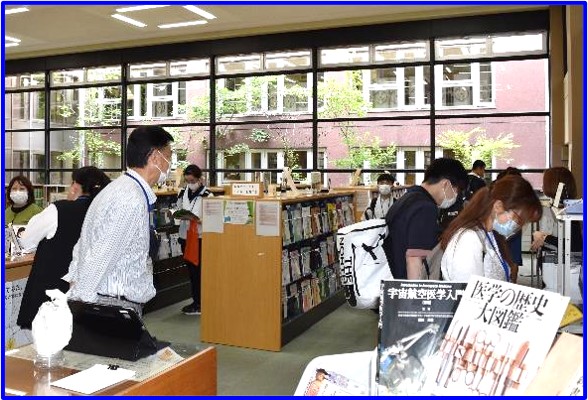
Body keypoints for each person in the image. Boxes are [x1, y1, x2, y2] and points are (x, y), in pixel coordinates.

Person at [64, 126, 174, 316]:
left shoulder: (119, 189)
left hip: (106, 302)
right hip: (111, 306)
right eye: (169, 156)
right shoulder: (130, 198)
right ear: (155, 157)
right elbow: (101, 255)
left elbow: (82, 245)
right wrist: (82, 305)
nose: (170, 164)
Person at [16, 167, 111, 330]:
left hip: (50, 294)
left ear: (75, 186)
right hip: (87, 295)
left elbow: (27, 241)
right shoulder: (104, 214)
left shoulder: (59, 210)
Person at [440, 175, 542, 282]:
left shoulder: (491, 234)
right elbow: (467, 290)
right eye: (519, 219)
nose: (518, 226)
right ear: (498, 206)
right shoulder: (469, 239)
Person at [382, 158, 468, 280]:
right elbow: (414, 259)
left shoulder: (408, 198)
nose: (456, 196)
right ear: (445, 184)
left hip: (395, 280)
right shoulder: (425, 207)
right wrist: (415, 296)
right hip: (405, 284)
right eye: (457, 190)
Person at [176, 164, 213, 315]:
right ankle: (195, 301)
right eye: (187, 181)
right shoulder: (182, 193)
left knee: (199, 272)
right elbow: (178, 209)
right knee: (191, 272)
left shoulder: (208, 196)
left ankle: (201, 303)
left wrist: (201, 220)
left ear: (199, 179)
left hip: (200, 238)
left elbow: (213, 218)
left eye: (192, 181)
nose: (190, 184)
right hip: (185, 236)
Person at [531, 166, 582, 253]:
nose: (542, 186)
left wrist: (545, 237)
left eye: (545, 183)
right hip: (548, 255)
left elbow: (575, 245)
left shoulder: (570, 210)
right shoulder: (553, 206)